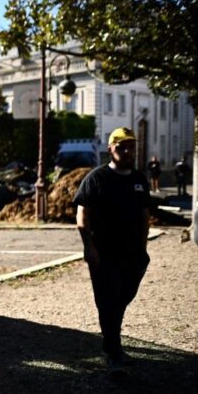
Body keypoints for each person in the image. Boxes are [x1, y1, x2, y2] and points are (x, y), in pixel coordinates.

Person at [73, 127, 151, 378]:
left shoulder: (139, 179)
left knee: (122, 297)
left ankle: (111, 341)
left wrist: (144, 248)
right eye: (122, 147)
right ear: (111, 149)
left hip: (134, 253)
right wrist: (88, 246)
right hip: (104, 253)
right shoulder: (96, 178)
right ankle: (114, 352)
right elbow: (82, 214)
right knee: (108, 301)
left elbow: (144, 215)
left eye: (131, 147)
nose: (127, 151)